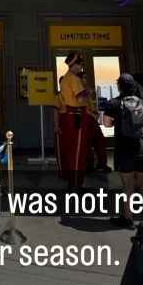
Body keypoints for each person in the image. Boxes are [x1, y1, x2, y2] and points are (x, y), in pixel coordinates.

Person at [103, 73, 143, 229]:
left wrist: (117, 123)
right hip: (142, 148)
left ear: (119, 87)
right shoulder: (142, 103)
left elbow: (106, 124)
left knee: (128, 187)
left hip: (124, 148)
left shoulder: (113, 103)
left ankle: (128, 218)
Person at [53, 52, 89, 194]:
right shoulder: (74, 79)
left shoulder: (65, 78)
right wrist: (87, 93)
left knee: (71, 151)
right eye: (80, 64)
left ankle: (74, 184)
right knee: (78, 152)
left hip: (69, 115)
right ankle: (75, 186)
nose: (81, 67)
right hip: (76, 115)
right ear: (74, 65)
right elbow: (80, 99)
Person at [81, 71, 111, 173]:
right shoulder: (78, 90)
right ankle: (89, 164)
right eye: (84, 77)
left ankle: (102, 163)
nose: (86, 79)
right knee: (88, 141)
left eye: (86, 77)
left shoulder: (87, 88)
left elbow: (90, 104)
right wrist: (93, 115)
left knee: (99, 140)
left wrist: (96, 113)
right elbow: (82, 106)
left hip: (93, 117)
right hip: (86, 117)